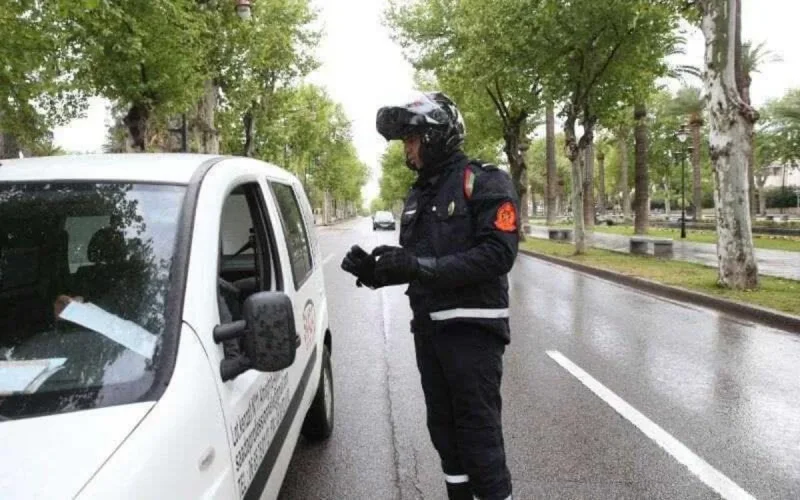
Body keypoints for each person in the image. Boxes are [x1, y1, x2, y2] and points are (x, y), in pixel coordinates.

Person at [341, 92, 519, 500]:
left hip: (473, 331)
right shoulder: (419, 194)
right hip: (429, 331)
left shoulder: (484, 180)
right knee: (444, 434)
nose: (407, 148)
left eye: (412, 138)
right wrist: (376, 273)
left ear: (437, 134)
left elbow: (498, 254)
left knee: (479, 438)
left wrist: (420, 268)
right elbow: (418, 262)